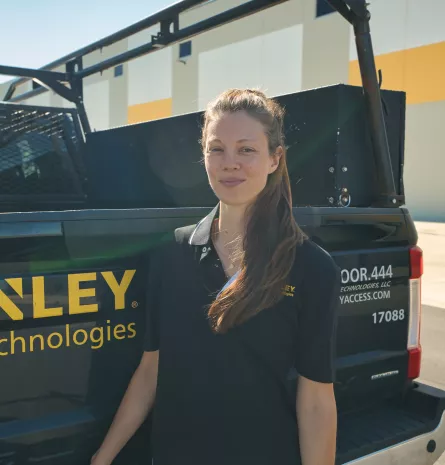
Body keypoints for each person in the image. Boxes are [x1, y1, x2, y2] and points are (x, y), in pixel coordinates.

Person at [91, 88, 341, 465]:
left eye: (246, 150)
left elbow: (317, 401)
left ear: (275, 159)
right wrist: (103, 456)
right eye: (216, 149)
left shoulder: (310, 267)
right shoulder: (172, 254)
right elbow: (150, 372)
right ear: (203, 156)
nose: (230, 163)